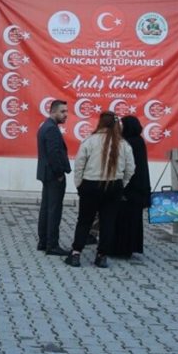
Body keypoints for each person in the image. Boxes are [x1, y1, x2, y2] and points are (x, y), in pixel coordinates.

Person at [65, 112, 135, 268]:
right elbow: (131, 168)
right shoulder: (123, 144)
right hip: (114, 186)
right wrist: (121, 184)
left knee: (84, 221)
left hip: (90, 185)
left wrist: (79, 184)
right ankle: (101, 256)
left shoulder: (89, 141)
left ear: (100, 123)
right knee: (108, 222)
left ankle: (76, 254)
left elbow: (79, 164)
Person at [108, 116, 150, 259]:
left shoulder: (127, 142)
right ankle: (130, 248)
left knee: (121, 219)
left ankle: (118, 248)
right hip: (138, 187)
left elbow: (128, 166)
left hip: (128, 186)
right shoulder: (139, 141)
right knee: (133, 220)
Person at [36, 99, 71, 256]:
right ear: (53, 111)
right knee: (54, 210)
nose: (66, 115)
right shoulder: (51, 129)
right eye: (62, 112)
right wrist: (59, 174)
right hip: (53, 175)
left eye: (66, 111)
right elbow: (53, 154)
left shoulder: (46, 126)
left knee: (46, 208)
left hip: (46, 174)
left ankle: (43, 242)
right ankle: (52, 245)